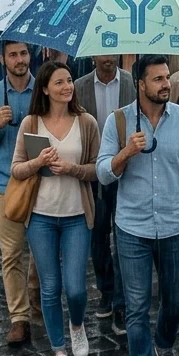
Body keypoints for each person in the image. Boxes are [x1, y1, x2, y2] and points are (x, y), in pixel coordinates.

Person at [96, 55, 179, 356]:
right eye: (157, 79)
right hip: (132, 228)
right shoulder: (118, 121)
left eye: (166, 77)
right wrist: (127, 151)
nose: (165, 83)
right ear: (139, 84)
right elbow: (102, 173)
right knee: (136, 307)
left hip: (177, 227)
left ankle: (164, 342)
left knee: (175, 302)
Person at [10, 62, 101, 356]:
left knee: (75, 288)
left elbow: (96, 170)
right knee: (49, 287)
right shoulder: (31, 123)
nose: (67, 86)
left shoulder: (86, 122)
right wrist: (39, 162)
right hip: (41, 218)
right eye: (60, 82)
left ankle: (77, 325)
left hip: (77, 215)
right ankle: (59, 351)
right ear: (45, 88)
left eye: (70, 81)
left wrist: (72, 169)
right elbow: (17, 169)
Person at [0, 41, 42, 345]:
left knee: (42, 254)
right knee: (11, 254)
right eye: (13, 54)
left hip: (42, 182)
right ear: (3, 59)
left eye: (24, 54)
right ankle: (19, 317)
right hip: (6, 185)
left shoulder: (43, 88)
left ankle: (36, 295)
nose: (20, 60)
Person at [74, 56, 136, 329]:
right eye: (103, 54)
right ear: (93, 56)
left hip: (127, 171)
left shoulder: (133, 84)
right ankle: (106, 291)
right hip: (94, 174)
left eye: (113, 53)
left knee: (124, 236)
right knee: (98, 235)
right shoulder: (80, 87)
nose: (108, 59)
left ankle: (122, 300)